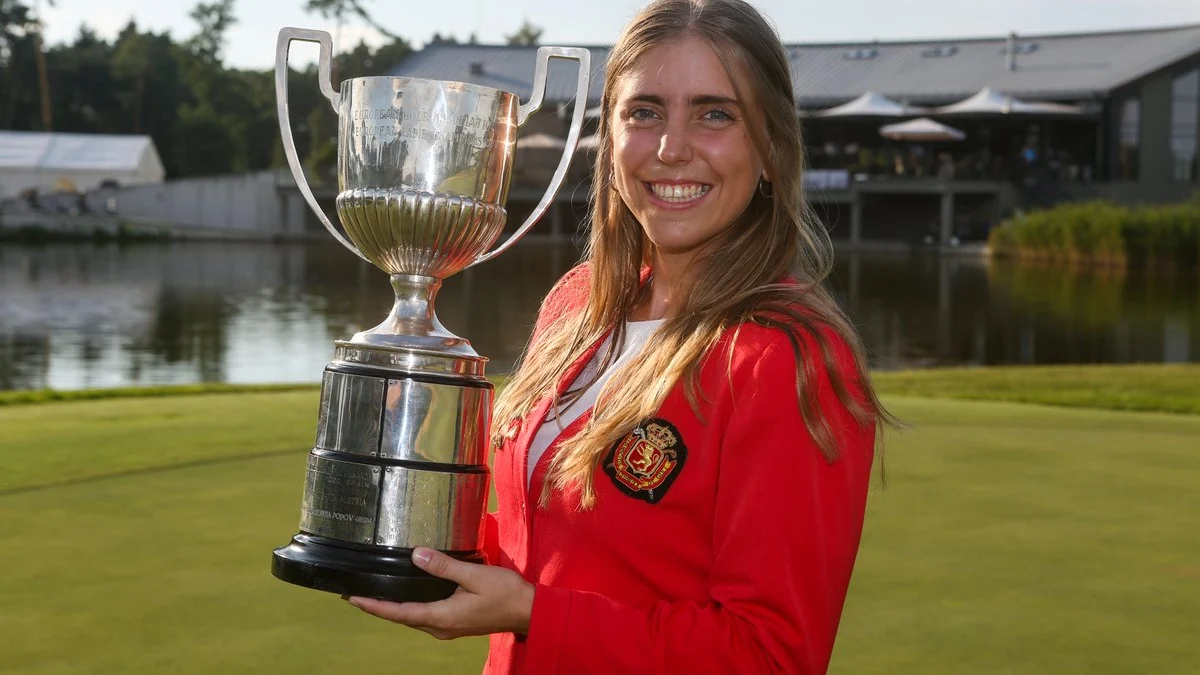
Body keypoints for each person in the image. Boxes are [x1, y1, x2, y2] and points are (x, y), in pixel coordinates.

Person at [347, 0, 895, 672]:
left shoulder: (784, 357)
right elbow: (548, 552)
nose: (672, 147)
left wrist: (531, 613)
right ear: (610, 141)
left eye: (714, 113)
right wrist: (411, 543)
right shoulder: (577, 306)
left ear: (773, 149)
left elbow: (770, 655)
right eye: (644, 111)